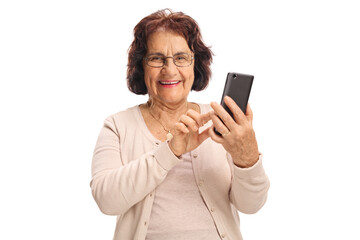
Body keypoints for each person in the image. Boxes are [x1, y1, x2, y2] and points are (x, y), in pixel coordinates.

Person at [90, 9, 270, 240]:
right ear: (141, 66)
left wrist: (247, 157)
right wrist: (170, 151)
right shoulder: (117, 125)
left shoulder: (220, 121)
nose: (170, 70)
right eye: (156, 58)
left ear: (195, 66)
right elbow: (107, 201)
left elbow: (252, 205)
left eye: (181, 58)